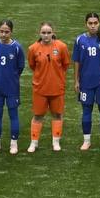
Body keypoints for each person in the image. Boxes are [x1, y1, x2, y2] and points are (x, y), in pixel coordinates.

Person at [72, 12, 100, 151]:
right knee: (86, 110)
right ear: (86, 24)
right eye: (90, 23)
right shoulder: (79, 40)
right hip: (85, 82)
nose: (93, 26)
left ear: (99, 23)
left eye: (95, 23)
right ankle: (87, 141)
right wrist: (76, 80)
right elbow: (77, 62)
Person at [27, 21, 70, 152]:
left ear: (53, 33)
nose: (46, 35)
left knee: (57, 114)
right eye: (43, 33)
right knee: (38, 115)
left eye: (49, 33)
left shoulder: (61, 47)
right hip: (40, 88)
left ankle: (56, 142)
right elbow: (32, 65)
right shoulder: (33, 48)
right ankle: (34, 143)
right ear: (39, 33)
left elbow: (65, 64)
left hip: (57, 87)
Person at [0, 20, 26, 155]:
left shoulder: (17, 48)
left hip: (12, 88)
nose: (3, 34)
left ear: (11, 32)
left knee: (13, 115)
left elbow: (20, 67)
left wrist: (11, 78)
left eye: (6, 32)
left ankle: (13, 144)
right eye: (1, 31)